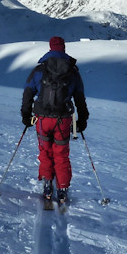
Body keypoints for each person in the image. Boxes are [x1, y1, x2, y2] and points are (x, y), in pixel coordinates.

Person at [20, 36, 89, 203]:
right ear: (64, 48)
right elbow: (79, 98)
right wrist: (82, 119)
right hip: (63, 120)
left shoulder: (39, 70)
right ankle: (63, 187)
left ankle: (47, 183)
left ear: (50, 48)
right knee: (61, 154)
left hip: (42, 119)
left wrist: (26, 116)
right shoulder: (72, 71)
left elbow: (28, 94)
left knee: (45, 152)